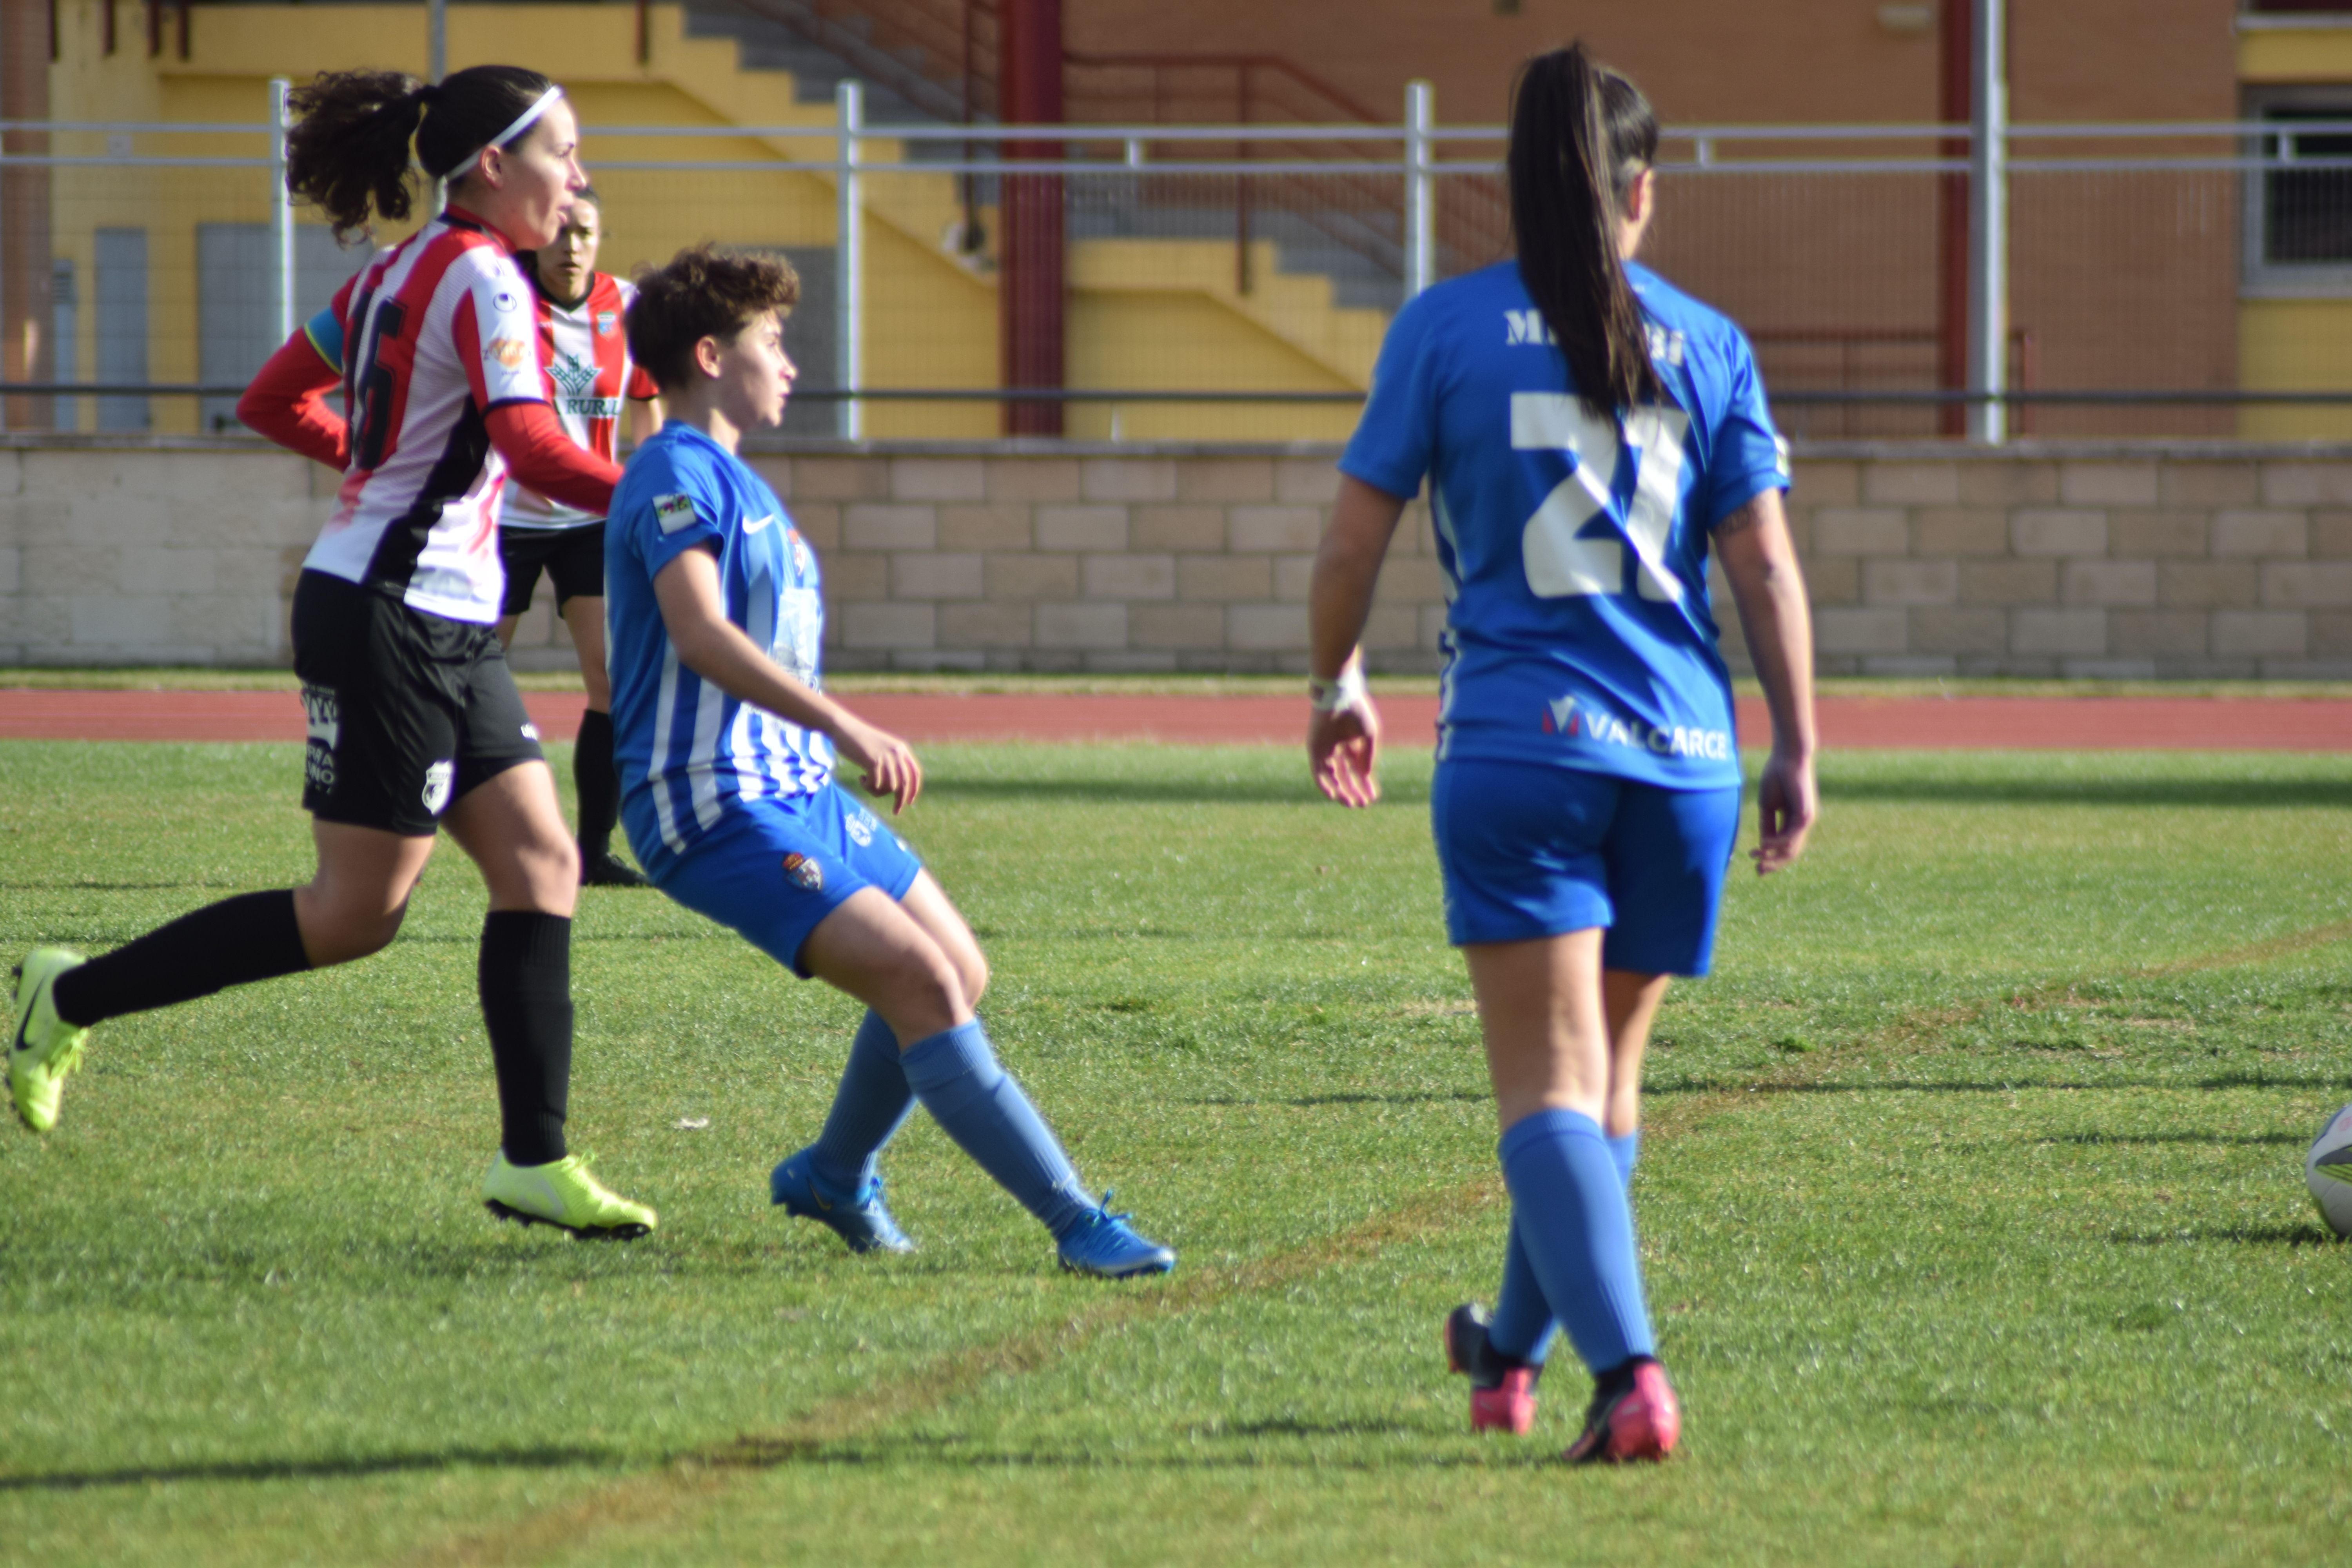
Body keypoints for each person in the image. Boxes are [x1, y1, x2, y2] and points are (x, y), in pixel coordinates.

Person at [7, 65, 658, 1240]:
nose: (582, 177)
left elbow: (272, 398)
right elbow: (530, 442)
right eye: (564, 154)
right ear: (495, 167)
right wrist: (667, 494)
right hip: (391, 615)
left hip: (443, 613)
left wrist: (379, 459)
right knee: (358, 916)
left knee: (544, 868)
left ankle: (535, 1161)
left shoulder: (394, 275)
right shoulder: (486, 282)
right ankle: (68, 991)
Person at [1306, 44, 1818, 1463]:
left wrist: (1333, 680)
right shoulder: (1708, 341)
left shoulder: (1445, 329)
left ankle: (1632, 1377)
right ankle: (1509, 1357)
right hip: (1686, 757)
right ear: (1642, 192)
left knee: (1545, 1089)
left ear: (1515, 192)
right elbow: (1764, 565)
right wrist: (1800, 744)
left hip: (1523, 748)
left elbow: (1356, 535)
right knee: (1607, 1088)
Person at [603, 244, 1175, 1278]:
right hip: (710, 804)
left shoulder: (731, 478)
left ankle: (833, 1175)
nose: (790, 363)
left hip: (794, 794)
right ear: (707, 355)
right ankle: (1077, 1223)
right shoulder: (672, 473)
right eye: (770, 342)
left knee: (959, 968)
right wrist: (847, 724)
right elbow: (697, 633)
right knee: (919, 980)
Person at [496, 189, 662, 887]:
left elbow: (650, 407)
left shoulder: (626, 307)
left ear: (599, 239)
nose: (570, 245)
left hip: (591, 522)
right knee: (460, 677)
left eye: (584, 232)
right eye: (560, 231)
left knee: (612, 680)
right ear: (537, 235)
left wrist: (647, 497)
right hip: (500, 518)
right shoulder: (500, 296)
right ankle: (408, 834)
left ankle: (591, 853)